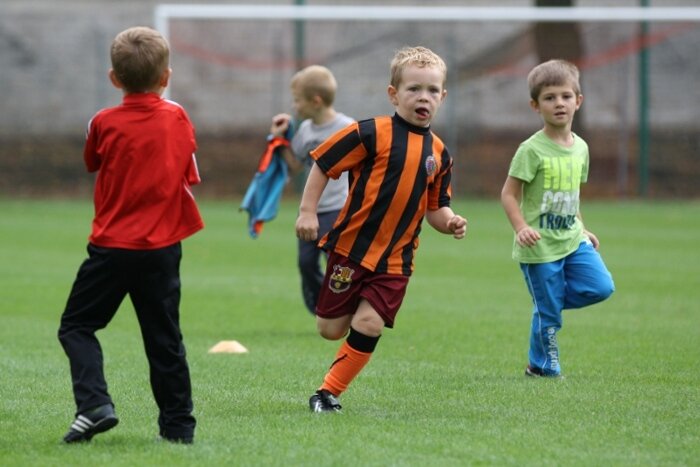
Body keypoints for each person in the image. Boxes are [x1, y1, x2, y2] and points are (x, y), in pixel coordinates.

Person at [295, 46, 467, 412]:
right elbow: (323, 164)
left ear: (442, 96)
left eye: (432, 90)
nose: (423, 97)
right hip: (351, 249)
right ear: (394, 94)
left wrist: (450, 221)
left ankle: (327, 393)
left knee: (370, 323)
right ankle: (352, 308)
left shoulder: (440, 154)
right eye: (414, 89)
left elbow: (436, 209)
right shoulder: (370, 132)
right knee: (330, 329)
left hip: (395, 261)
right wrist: (307, 211)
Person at [57, 26, 203, 444]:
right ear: (166, 77)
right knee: (164, 339)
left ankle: (94, 405)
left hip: (112, 248)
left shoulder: (102, 122)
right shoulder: (178, 117)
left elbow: (93, 161)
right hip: (162, 250)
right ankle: (178, 428)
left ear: (113, 78)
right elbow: (189, 172)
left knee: (76, 326)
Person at [500, 59, 615, 378]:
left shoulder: (581, 148)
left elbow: (571, 195)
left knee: (601, 286)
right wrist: (521, 228)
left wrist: (583, 228)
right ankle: (542, 367)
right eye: (549, 98)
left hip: (572, 239)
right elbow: (508, 194)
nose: (559, 103)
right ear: (536, 106)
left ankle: (546, 304)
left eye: (566, 96)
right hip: (539, 248)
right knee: (549, 315)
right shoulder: (531, 150)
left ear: (578, 100)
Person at [269, 65, 354, 315]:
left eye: (298, 100)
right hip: (310, 212)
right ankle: (322, 308)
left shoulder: (347, 127)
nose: (294, 106)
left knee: (338, 267)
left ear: (315, 101)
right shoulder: (305, 130)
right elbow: (296, 165)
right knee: (306, 264)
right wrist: (279, 142)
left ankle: (343, 307)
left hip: (338, 210)